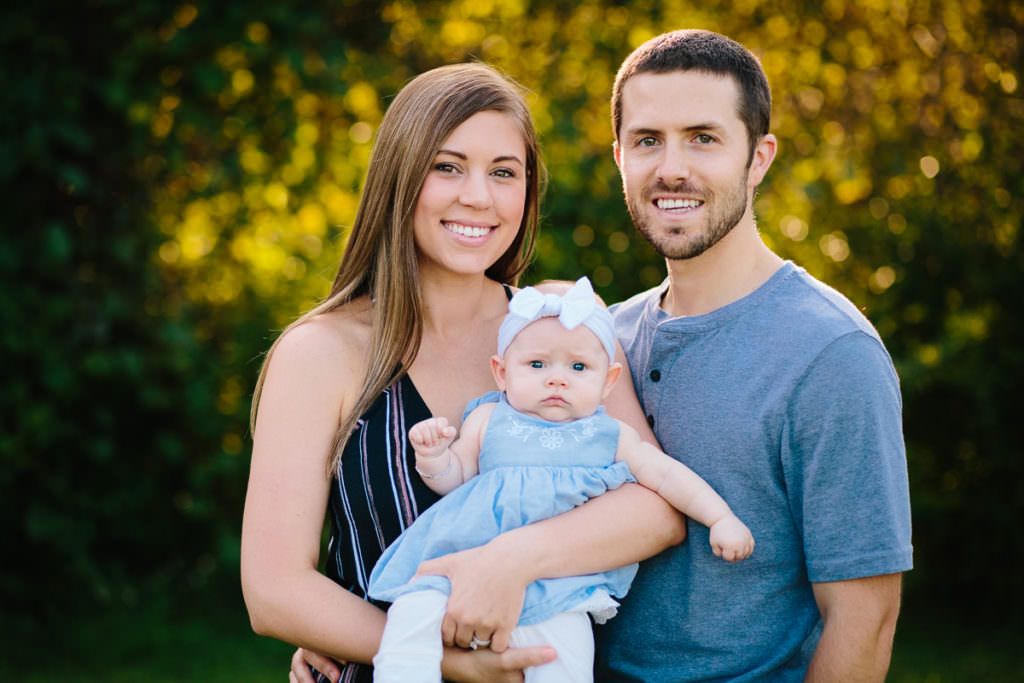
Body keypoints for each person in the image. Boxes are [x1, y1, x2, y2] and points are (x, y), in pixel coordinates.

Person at [241, 63, 686, 683]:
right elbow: (274, 589)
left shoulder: (558, 327)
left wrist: (513, 560)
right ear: (400, 178)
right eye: (447, 167)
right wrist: (443, 660)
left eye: (503, 172)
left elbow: (659, 508)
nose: (478, 196)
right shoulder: (321, 352)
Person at [592, 29, 914, 681]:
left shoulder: (831, 352)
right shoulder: (599, 341)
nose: (671, 167)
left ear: (758, 158)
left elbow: (865, 618)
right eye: (648, 140)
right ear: (620, 156)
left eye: (702, 138)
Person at [368, 277, 753, 683]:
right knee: (412, 615)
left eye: (578, 367)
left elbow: (667, 476)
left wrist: (720, 517)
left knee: (563, 661)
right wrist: (433, 457)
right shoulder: (488, 419)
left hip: (561, 591)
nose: (557, 379)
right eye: (537, 365)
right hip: (466, 568)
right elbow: (455, 479)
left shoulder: (611, 436)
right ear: (502, 373)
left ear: (608, 381)